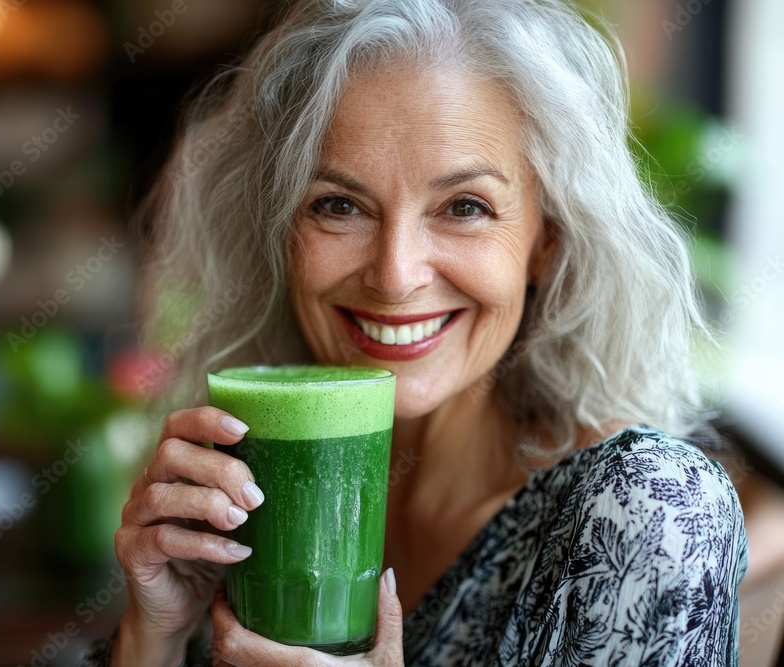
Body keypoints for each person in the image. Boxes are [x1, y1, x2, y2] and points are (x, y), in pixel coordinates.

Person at [82, 0, 748, 664]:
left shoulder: (645, 513)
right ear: (281, 233)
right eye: (339, 205)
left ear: (546, 239)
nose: (395, 274)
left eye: (465, 207)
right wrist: (154, 636)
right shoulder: (246, 486)